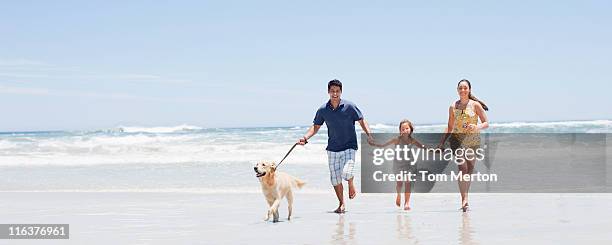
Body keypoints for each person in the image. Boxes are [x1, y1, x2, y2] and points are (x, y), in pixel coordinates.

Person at [297, 79, 375, 213]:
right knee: (335, 179)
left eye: (337, 91)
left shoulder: (349, 106)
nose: (335, 94)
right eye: (332, 91)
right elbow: (315, 127)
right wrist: (305, 138)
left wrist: (369, 135)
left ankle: (351, 183)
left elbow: (362, 121)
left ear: (341, 92)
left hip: (349, 146)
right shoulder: (323, 110)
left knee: (347, 173)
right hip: (332, 149)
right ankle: (341, 204)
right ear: (328, 92)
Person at [438, 79, 489, 212]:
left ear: (469, 89)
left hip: (472, 141)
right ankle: (464, 199)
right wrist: (441, 142)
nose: (463, 90)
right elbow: (449, 126)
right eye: (460, 88)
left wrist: (476, 126)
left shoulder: (475, 105)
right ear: (457, 90)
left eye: (465, 88)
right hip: (457, 140)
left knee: (469, 171)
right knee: (462, 169)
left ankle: (466, 196)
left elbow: (486, 123)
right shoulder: (453, 106)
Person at [370, 119, 424, 211]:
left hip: (409, 165)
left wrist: (435, 151)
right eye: (402, 129)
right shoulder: (397, 140)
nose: (405, 130)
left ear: (410, 129)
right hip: (398, 165)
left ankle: (407, 203)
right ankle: (398, 195)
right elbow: (383, 145)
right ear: (400, 131)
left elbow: (423, 147)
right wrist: (375, 145)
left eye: (407, 128)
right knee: (399, 184)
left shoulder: (413, 141)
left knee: (408, 182)